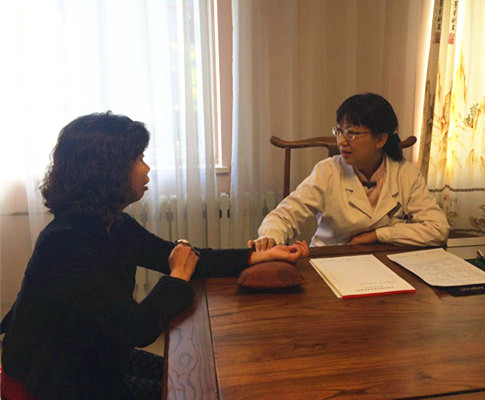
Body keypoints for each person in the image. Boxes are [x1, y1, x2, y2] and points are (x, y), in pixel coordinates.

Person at [0, 112, 308, 400]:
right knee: (191, 391)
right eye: (139, 159)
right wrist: (178, 276)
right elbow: (137, 327)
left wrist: (257, 256)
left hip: (95, 357)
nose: (147, 169)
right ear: (107, 170)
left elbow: (180, 257)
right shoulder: (65, 244)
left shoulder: (114, 223)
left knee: (195, 379)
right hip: (52, 381)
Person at [249, 93, 449, 251]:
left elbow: (438, 229)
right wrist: (270, 237)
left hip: (384, 262)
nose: (342, 141)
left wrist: (378, 235)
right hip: (331, 258)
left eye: (352, 133)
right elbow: (284, 215)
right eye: (339, 131)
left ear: (380, 139)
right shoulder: (328, 171)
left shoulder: (406, 174)